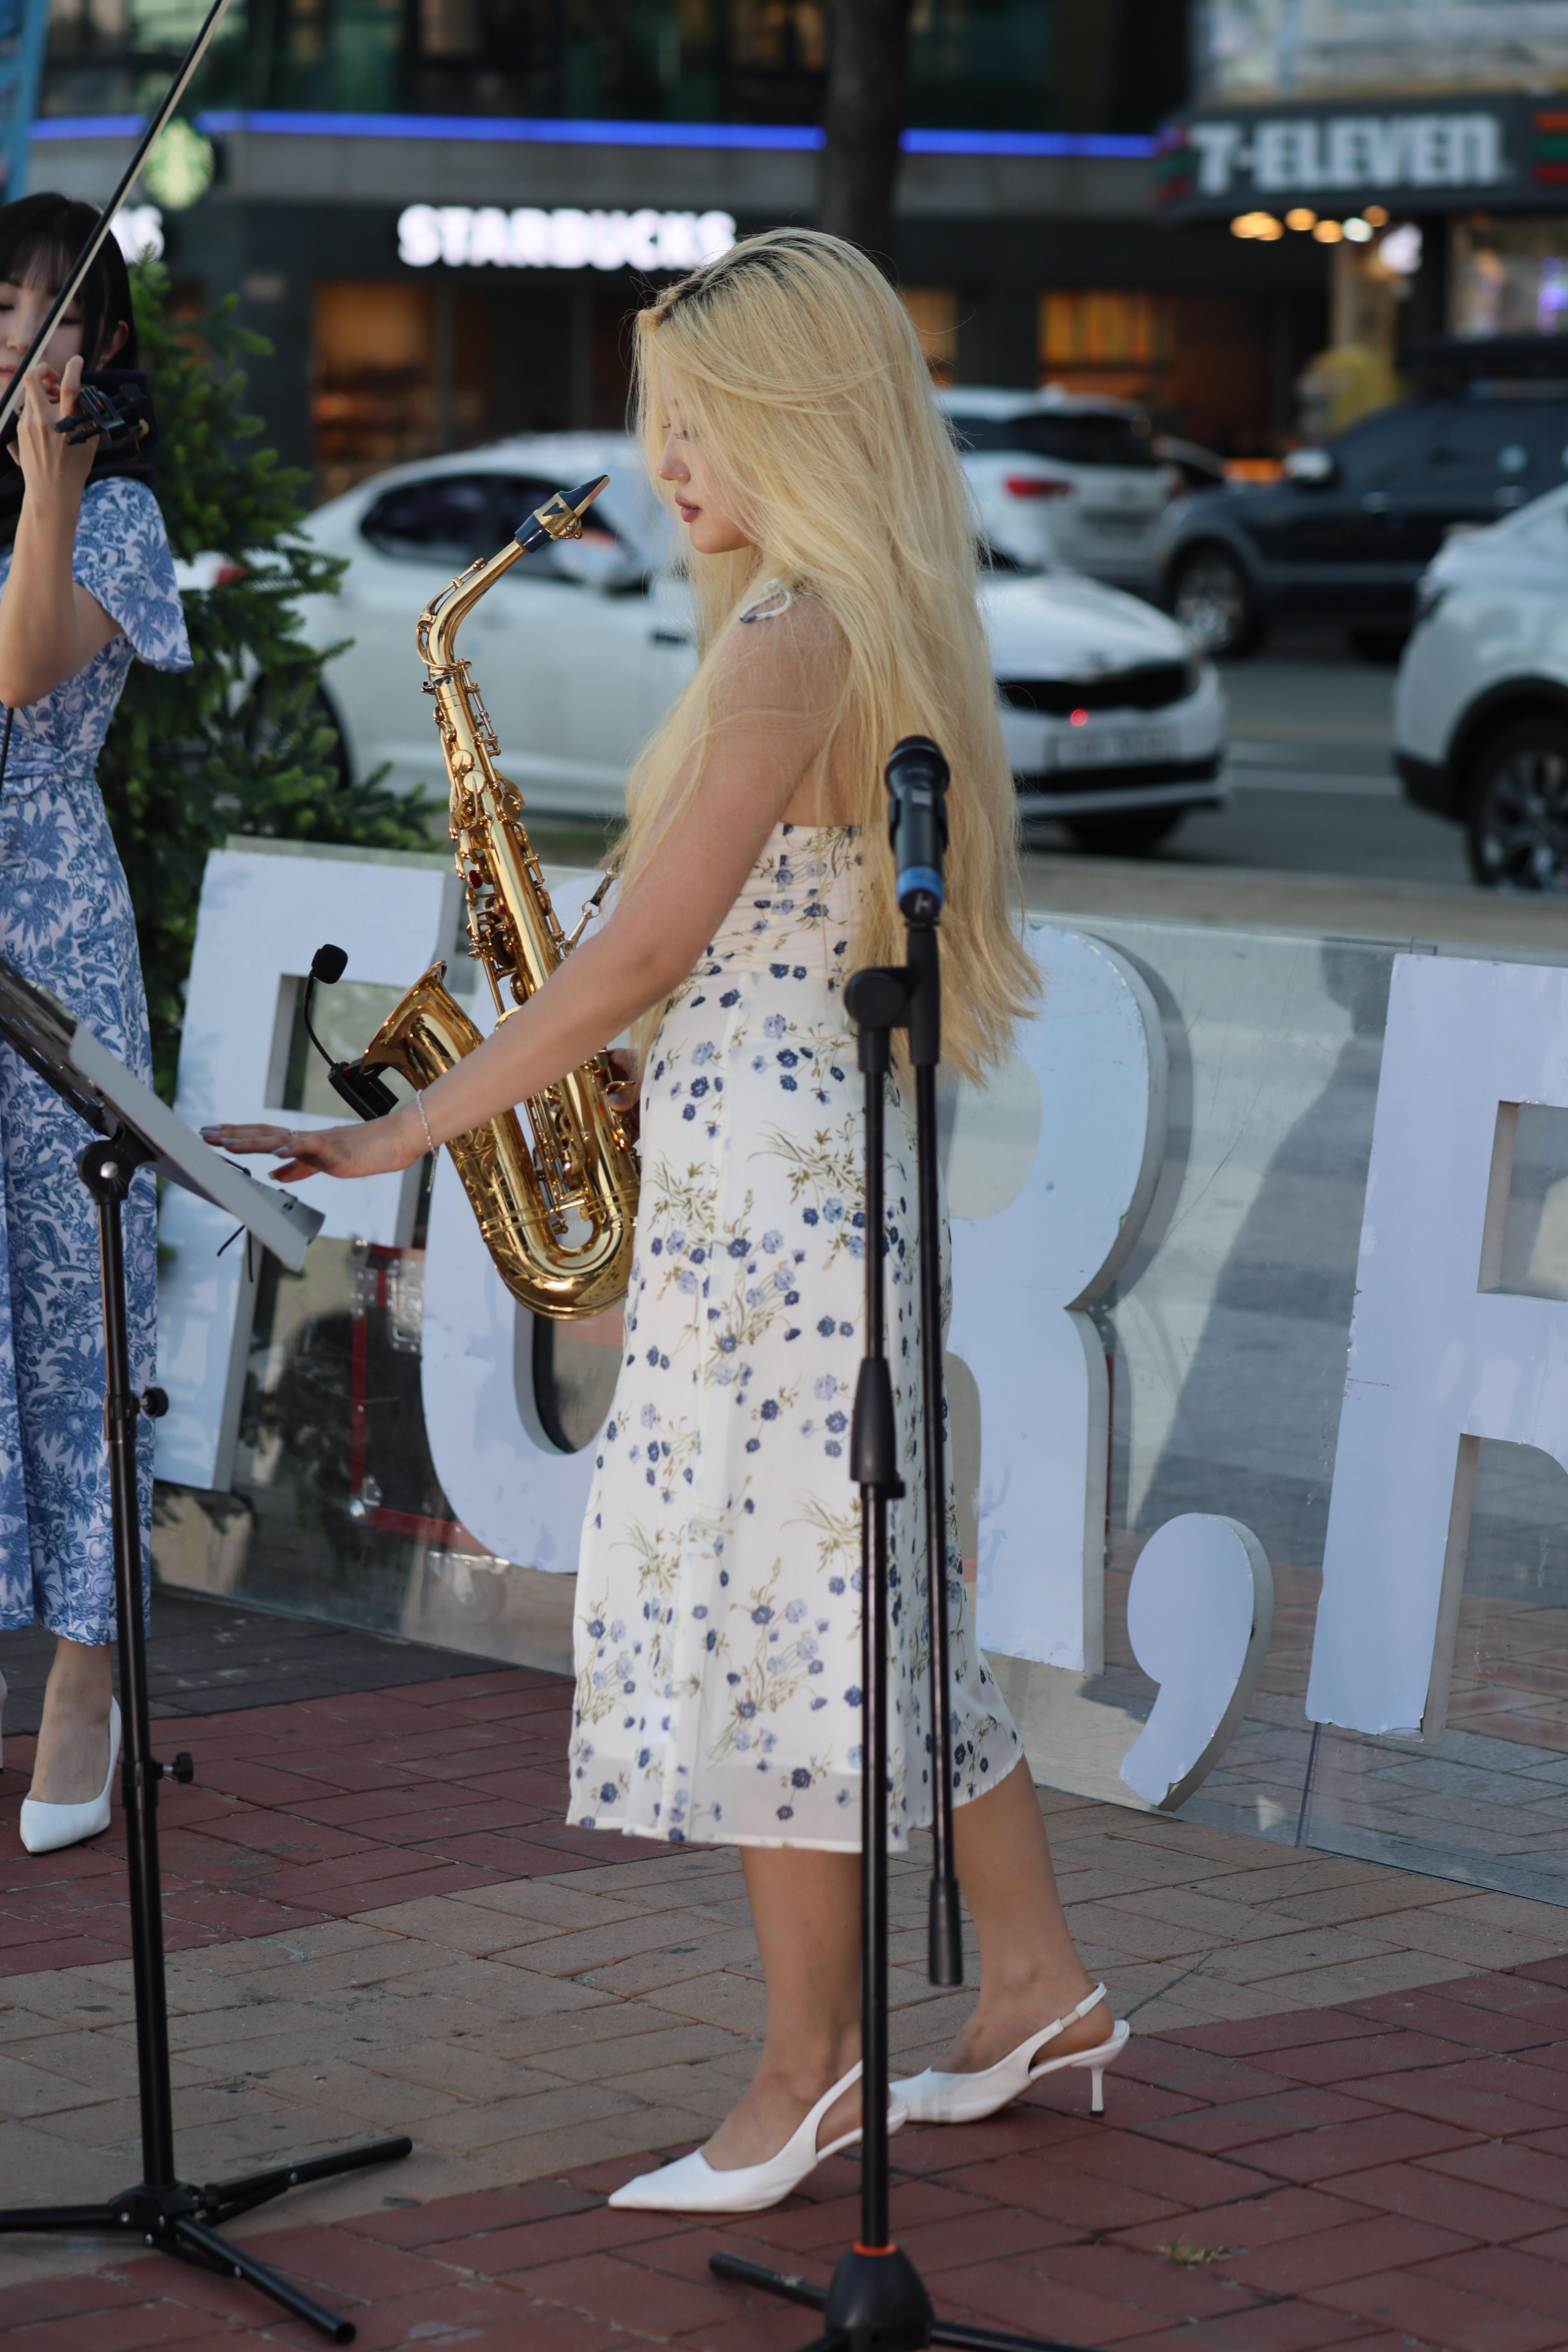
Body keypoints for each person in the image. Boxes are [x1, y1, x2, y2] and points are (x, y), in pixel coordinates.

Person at [205, 227, 1125, 2213]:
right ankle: (1035, 1984)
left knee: (780, 1623)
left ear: (801, 421)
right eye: (660, 421)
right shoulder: (851, 622)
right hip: (807, 1174)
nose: (662, 462)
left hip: (772, 1216)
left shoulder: (792, 640)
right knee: (874, 1607)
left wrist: (407, 1127)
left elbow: (635, 956)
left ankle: (809, 2076)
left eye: (699, 423)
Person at [0, 195, 192, 1855]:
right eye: (1, 308)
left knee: (76, 1307)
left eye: (53, 313)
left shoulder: (114, 512)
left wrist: (47, 483)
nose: (20, 338)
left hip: (47, 927)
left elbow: (22, 674)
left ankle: (88, 1673)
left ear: (105, 344)